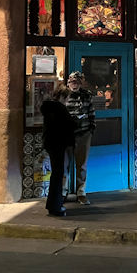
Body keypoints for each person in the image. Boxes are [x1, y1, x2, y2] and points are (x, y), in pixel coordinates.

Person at [40, 86, 76, 217]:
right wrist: (75, 121)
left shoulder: (48, 107)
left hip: (50, 143)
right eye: (67, 98)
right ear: (62, 96)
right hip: (58, 144)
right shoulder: (60, 108)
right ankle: (55, 206)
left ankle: (53, 204)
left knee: (56, 174)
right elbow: (67, 125)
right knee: (58, 174)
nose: (67, 101)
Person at [64, 71, 96, 205]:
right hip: (66, 134)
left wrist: (91, 129)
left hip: (83, 133)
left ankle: (81, 192)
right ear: (68, 83)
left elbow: (91, 113)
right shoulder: (63, 95)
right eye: (72, 82)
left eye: (76, 82)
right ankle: (63, 192)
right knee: (64, 164)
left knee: (82, 165)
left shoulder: (86, 95)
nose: (74, 85)